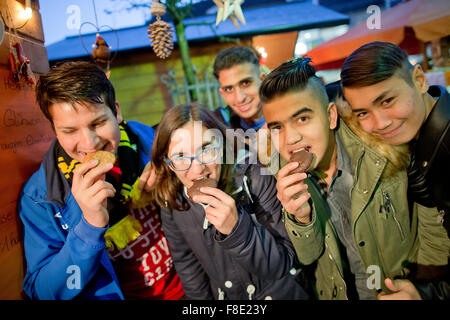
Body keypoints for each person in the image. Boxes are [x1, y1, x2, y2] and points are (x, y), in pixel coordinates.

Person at [259, 57, 449, 300]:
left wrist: (422, 288)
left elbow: (431, 225)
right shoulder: (281, 174)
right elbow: (308, 257)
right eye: (277, 128)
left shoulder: (384, 147)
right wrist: (301, 219)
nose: (291, 139)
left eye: (302, 119)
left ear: (330, 116)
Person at [19, 61, 184, 300]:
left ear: (116, 111)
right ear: (55, 130)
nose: (89, 143)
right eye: (70, 131)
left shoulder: (150, 140)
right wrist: (89, 227)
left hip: (190, 288)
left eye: (97, 123)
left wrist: (173, 175)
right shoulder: (41, 197)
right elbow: (45, 292)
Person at [149, 103, 310, 300]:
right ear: (167, 163)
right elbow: (187, 266)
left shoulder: (253, 176)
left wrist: (237, 230)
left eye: (206, 149)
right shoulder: (173, 202)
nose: (198, 168)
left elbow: (283, 262)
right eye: (180, 156)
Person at [340, 41, 450, 299]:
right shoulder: (419, 141)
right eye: (363, 113)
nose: (380, 123)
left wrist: (427, 295)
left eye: (387, 101)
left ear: (420, 80)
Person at [213, 46, 278, 172]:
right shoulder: (218, 127)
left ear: (262, 80)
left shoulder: (287, 118)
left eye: (245, 83)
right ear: (222, 94)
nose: (239, 98)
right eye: (229, 89)